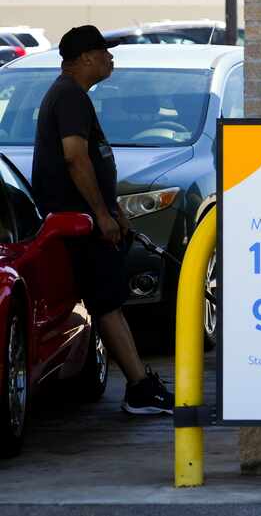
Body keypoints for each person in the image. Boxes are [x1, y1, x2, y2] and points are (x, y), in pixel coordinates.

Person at [31, 25, 174, 415]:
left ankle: (141, 383)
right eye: (104, 53)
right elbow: (75, 157)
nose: (111, 59)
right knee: (108, 303)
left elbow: (92, 160)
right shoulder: (70, 97)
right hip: (80, 224)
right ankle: (140, 390)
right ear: (85, 58)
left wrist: (115, 211)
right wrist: (99, 215)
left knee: (110, 301)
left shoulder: (71, 96)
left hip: (90, 220)